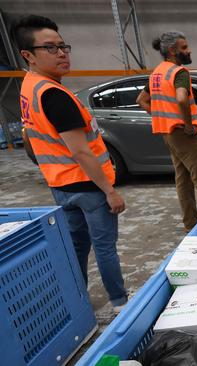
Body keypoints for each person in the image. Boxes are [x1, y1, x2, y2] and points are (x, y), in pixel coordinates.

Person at [12, 15, 128, 311]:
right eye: (50, 48)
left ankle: (78, 299)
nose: (62, 53)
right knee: (104, 247)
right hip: (88, 185)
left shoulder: (30, 86)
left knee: (77, 245)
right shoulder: (55, 96)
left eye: (63, 46)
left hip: (60, 184)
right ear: (28, 55)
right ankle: (119, 302)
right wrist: (109, 191)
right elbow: (81, 152)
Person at [136, 31, 197, 231]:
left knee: (183, 180)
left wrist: (163, 116)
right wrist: (188, 126)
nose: (188, 51)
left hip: (169, 134)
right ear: (172, 51)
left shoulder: (158, 73)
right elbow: (181, 99)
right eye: (184, 48)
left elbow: (142, 100)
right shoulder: (179, 72)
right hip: (184, 134)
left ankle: (190, 224)